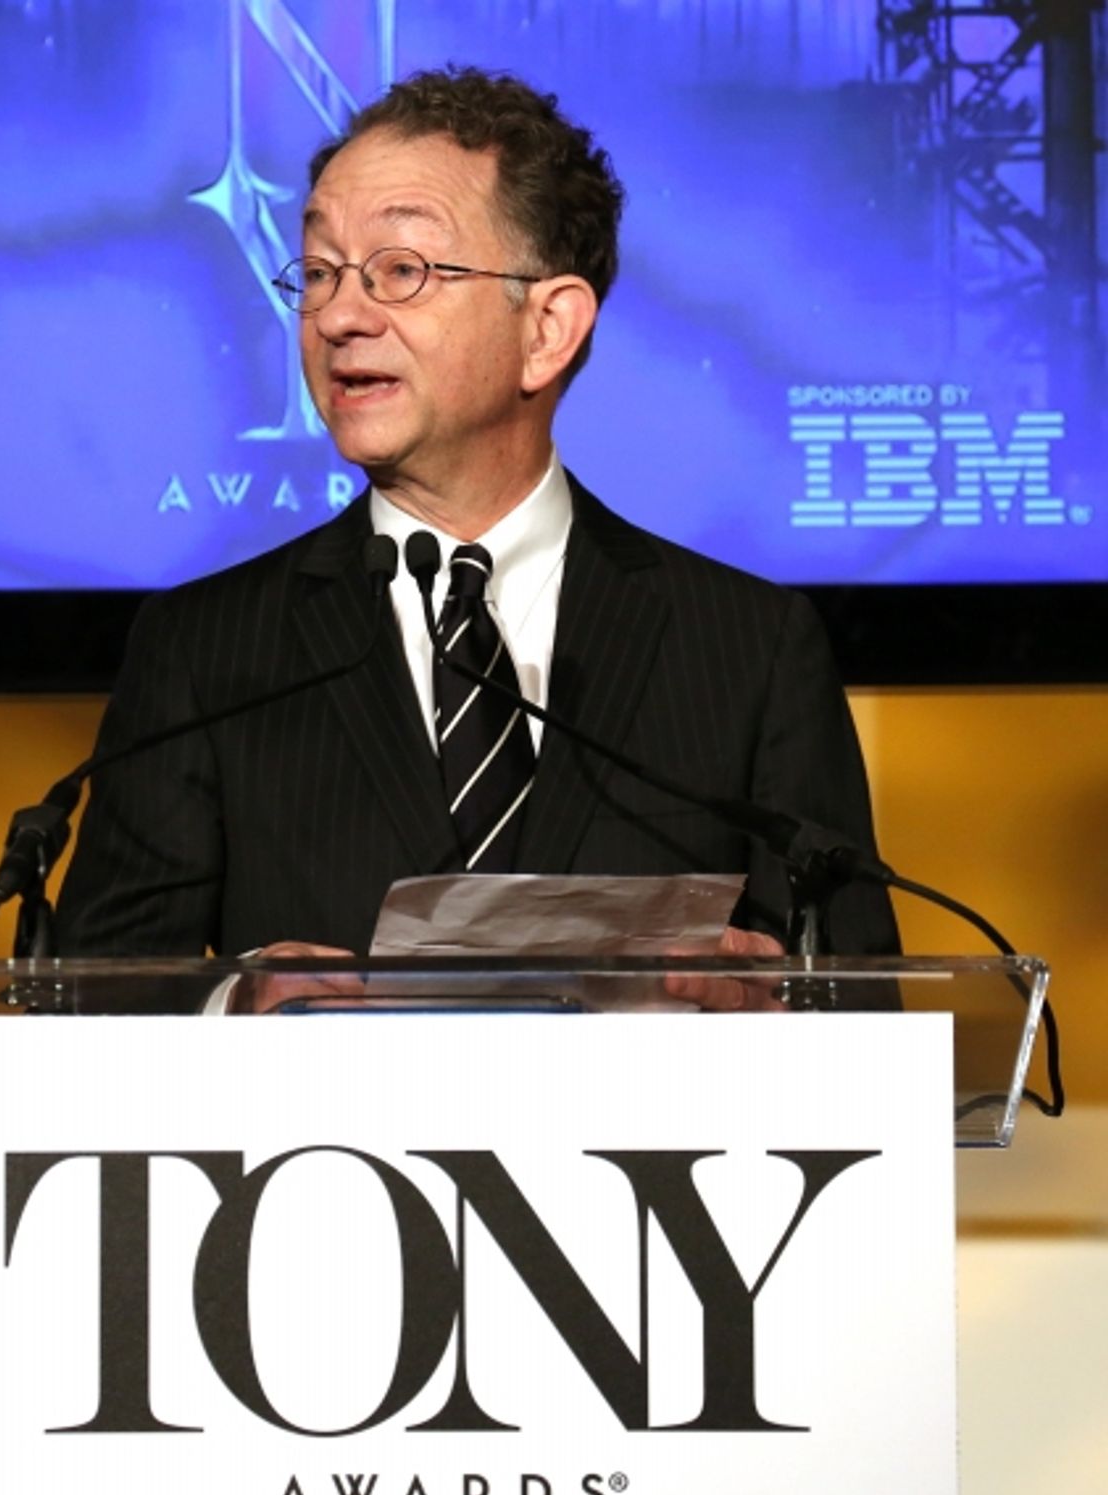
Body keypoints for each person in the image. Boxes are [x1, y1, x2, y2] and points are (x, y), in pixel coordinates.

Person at [55, 66, 899, 975]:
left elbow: (855, 1010)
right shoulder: (206, 653)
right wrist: (241, 1010)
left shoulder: (748, 650)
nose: (338, 315)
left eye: (401, 270)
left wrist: (771, 1016)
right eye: (321, 271)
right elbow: (96, 1001)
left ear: (548, 329)